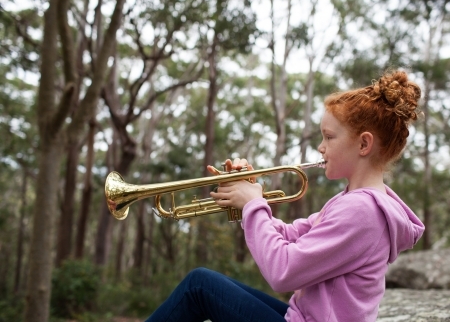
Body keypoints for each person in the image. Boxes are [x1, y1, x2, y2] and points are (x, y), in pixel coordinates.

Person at [146, 70, 425, 322]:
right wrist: (249, 201)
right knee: (202, 283)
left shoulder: (364, 211)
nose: (321, 147)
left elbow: (283, 271)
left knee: (199, 286)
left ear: (364, 144)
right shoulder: (353, 201)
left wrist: (253, 204)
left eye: (329, 137)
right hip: (302, 317)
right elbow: (292, 236)